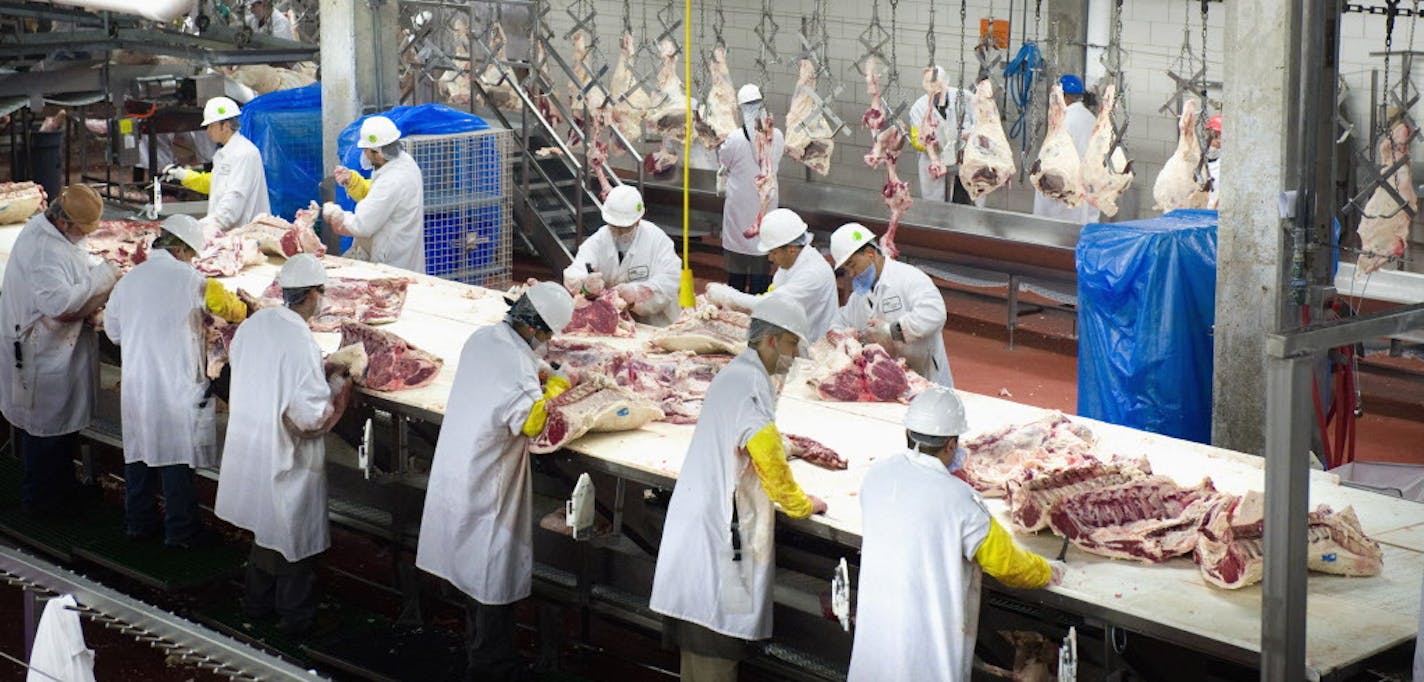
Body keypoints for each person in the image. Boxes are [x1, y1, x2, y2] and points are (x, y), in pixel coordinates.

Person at [649, 296, 828, 681]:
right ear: (772, 341)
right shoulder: (749, 381)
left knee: (708, 642)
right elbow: (766, 453)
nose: (794, 356)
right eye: (792, 345)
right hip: (722, 533)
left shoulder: (741, 374)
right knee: (715, 639)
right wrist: (799, 504)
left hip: (711, 522)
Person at [415, 281, 575, 681]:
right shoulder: (515, 362)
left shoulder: (483, 338)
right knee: (491, 580)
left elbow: (503, 382)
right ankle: (489, 669)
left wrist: (539, 374)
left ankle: (479, 653)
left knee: (472, 572)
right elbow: (531, 422)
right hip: (487, 480)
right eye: (547, 335)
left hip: (460, 467)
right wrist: (556, 387)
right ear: (536, 329)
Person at [848, 386, 1064, 680]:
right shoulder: (960, 500)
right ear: (950, 444)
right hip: (926, 660)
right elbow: (1007, 565)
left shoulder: (877, 475)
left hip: (874, 648)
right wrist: (1047, 569)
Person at [214, 254, 356, 634]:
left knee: (265, 529)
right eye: (322, 293)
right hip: (285, 455)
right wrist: (341, 384)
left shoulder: (254, 324)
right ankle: (296, 620)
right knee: (292, 538)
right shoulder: (300, 341)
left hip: (251, 445)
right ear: (311, 295)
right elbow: (311, 419)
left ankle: (256, 606)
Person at [104, 215, 247, 548]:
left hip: (139, 383)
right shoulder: (196, 282)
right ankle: (181, 533)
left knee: (139, 454)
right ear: (181, 249)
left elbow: (112, 332)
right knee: (176, 458)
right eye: (191, 254)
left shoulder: (129, 280)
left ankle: (138, 525)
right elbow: (235, 311)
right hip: (176, 385)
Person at [0, 185, 117, 516]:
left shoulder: (55, 233)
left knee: (61, 431)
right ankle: (40, 504)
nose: (86, 236)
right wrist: (106, 277)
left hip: (53, 348)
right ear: (65, 222)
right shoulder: (43, 250)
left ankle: (63, 491)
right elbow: (61, 305)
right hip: (40, 352)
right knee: (46, 432)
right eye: (83, 229)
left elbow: (73, 271)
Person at [830, 223, 954, 387]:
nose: (851, 274)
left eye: (852, 265)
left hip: (924, 376)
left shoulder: (910, 278)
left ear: (870, 253)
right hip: (886, 380)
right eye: (847, 269)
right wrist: (844, 337)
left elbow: (934, 315)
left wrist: (891, 331)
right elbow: (840, 321)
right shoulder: (859, 297)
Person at [703, 208, 839, 342]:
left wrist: (729, 296)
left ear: (791, 250)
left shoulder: (813, 273)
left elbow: (771, 305)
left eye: (773, 252)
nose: (770, 258)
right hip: (791, 335)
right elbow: (769, 298)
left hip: (812, 348)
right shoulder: (790, 263)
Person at [562, 184, 682, 326]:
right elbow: (575, 272)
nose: (619, 231)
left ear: (638, 220)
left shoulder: (656, 239)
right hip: (614, 325)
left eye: (625, 228)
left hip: (656, 325)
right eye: (614, 226)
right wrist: (585, 285)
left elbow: (671, 279)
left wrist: (636, 292)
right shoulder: (599, 240)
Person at [324, 115, 427, 274]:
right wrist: (353, 181)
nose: (364, 154)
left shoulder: (392, 181)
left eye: (366, 150)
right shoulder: (404, 163)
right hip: (400, 251)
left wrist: (334, 215)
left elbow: (362, 225)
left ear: (378, 153)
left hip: (391, 262)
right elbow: (377, 197)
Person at [162, 97, 271, 232]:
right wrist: (183, 175)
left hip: (245, 235)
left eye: (211, 126)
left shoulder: (244, 153)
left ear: (225, 126)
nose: (208, 131)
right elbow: (216, 184)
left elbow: (235, 198)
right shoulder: (224, 153)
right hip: (230, 234)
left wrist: (208, 227)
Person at [717, 84, 785, 295]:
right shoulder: (778, 136)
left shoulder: (735, 139)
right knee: (761, 270)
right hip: (765, 206)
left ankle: (735, 310)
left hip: (739, 209)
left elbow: (723, 160)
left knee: (736, 276)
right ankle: (756, 305)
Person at [1032, 75, 1101, 224]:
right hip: (1083, 187)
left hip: (1060, 187)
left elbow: (1053, 156)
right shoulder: (1091, 118)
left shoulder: (1064, 118)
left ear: (1063, 95)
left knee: (1050, 231)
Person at [908, 65, 977, 204]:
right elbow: (917, 140)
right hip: (935, 161)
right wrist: (928, 144)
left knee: (967, 205)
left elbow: (981, 124)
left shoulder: (966, 97)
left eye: (937, 82)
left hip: (964, 160)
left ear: (946, 81)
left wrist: (968, 135)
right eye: (930, 83)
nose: (935, 87)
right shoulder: (918, 107)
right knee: (936, 209)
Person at [1205, 114, 1222, 209]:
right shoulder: (1198, 162)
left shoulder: (1226, 165)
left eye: (1220, 137)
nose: (1217, 141)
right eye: (1215, 136)